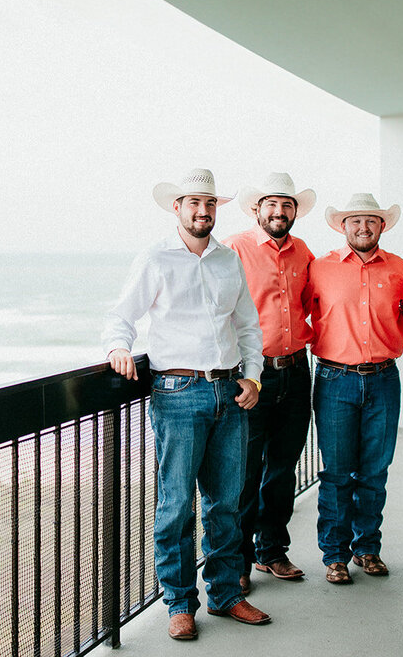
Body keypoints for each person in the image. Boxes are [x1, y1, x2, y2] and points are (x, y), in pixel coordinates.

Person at [102, 168, 272, 641]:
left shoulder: (227, 259)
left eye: (210, 203)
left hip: (231, 392)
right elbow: (121, 315)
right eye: (194, 203)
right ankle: (179, 603)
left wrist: (253, 376)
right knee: (176, 505)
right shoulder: (155, 258)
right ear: (176, 208)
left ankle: (225, 593)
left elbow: (247, 326)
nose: (203, 211)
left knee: (226, 504)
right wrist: (118, 347)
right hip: (177, 394)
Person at [307, 193, 403, 585]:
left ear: (382, 226)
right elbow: (300, 310)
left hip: (384, 379)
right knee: (337, 473)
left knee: (374, 472)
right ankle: (334, 555)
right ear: (343, 226)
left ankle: (367, 549)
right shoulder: (319, 268)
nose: (363, 228)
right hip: (335, 380)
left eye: (371, 221)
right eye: (355, 221)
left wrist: (380, 341)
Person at [223, 172, 316, 592]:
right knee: (244, 473)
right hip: (252, 378)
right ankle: (238, 561)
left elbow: (315, 305)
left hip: (297, 373)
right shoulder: (234, 250)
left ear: (295, 211)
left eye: (287, 205)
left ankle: (271, 552)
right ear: (256, 209)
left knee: (282, 469)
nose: (280, 212)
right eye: (272, 204)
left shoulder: (304, 253)